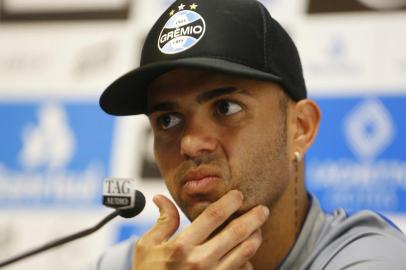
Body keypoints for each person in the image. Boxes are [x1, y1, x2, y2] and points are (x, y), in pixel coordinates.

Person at [89, 0, 406, 269]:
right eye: (168, 120)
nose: (190, 143)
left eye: (226, 108)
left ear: (301, 128)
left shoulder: (371, 258)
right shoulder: (127, 263)